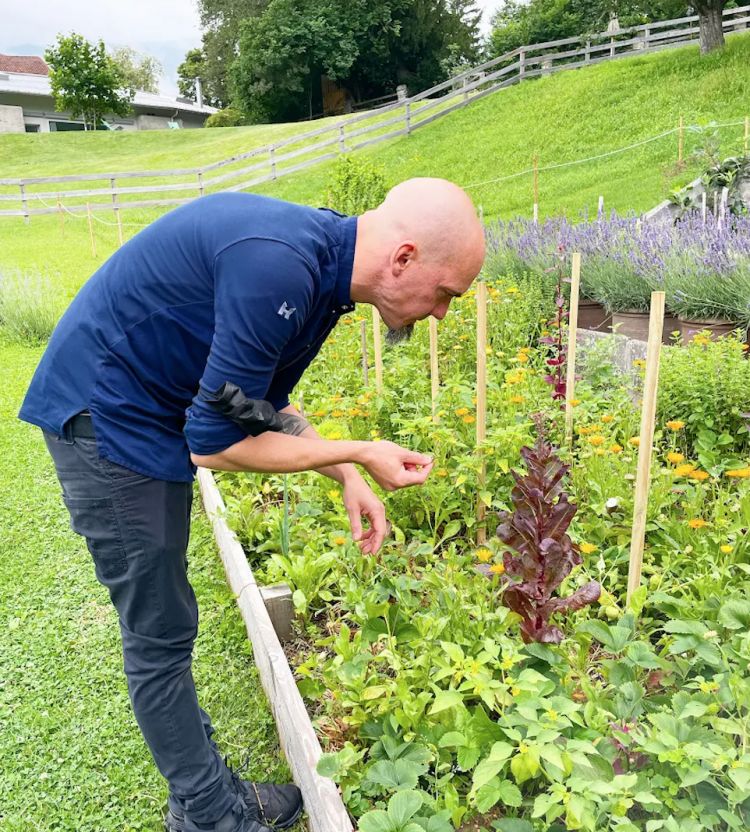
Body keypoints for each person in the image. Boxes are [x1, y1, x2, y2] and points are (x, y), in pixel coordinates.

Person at [18, 177, 485, 832]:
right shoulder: (280, 269)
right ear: (403, 259)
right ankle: (211, 816)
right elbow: (216, 444)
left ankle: (211, 798)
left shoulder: (321, 278)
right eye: (445, 295)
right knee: (159, 632)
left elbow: (253, 404)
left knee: (169, 622)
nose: (440, 314)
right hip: (108, 415)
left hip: (153, 409)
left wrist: (349, 471)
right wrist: (359, 447)